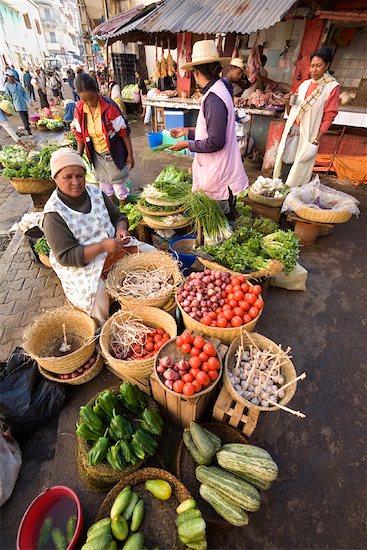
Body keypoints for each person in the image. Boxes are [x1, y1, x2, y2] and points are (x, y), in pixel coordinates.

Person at [43, 148, 153, 325]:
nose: (76, 182)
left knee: (151, 253)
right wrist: (102, 246)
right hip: (83, 262)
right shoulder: (53, 214)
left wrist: (121, 230)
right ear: (55, 178)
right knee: (99, 294)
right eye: (68, 177)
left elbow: (118, 216)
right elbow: (67, 256)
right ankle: (101, 330)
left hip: (113, 246)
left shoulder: (95, 192)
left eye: (80, 176)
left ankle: (150, 302)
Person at [169, 40, 248, 212]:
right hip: (219, 169)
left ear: (196, 72)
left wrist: (187, 145)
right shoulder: (220, 88)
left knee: (219, 227)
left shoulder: (213, 98)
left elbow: (215, 141)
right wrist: (187, 132)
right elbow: (212, 130)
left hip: (219, 174)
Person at [273, 47, 340, 187]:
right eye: (312, 66)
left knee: (301, 164)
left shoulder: (331, 87)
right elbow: (292, 110)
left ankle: (293, 192)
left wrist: (317, 139)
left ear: (327, 65)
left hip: (310, 133)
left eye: (318, 66)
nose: (314, 70)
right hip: (294, 130)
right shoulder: (304, 85)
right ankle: (281, 188)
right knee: (287, 159)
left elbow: (330, 116)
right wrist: (287, 103)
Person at [74, 73, 134, 207]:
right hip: (96, 155)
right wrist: (79, 157)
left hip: (114, 152)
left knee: (119, 188)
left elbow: (124, 132)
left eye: (92, 98)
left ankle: (124, 213)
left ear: (97, 91)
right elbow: (80, 135)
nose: (90, 103)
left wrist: (130, 155)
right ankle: (112, 213)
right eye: (85, 100)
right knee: (105, 188)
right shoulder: (79, 109)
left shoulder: (109, 107)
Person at [4, 70, 32, 136]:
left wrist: (29, 100)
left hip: (23, 103)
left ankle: (27, 126)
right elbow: (8, 96)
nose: (10, 78)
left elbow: (24, 93)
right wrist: (11, 106)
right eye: (9, 77)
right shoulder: (7, 86)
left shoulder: (18, 84)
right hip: (17, 104)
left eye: (11, 76)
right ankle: (29, 132)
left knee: (26, 116)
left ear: (14, 77)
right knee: (24, 118)